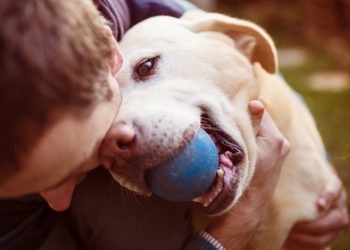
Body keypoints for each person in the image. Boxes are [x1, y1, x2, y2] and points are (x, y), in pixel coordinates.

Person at [0, 0, 347, 249]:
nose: (58, 201)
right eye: (66, 174)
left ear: (110, 52)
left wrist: (316, 177)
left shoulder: (160, 17)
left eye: (147, 68)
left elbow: (245, 63)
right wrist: (229, 233)